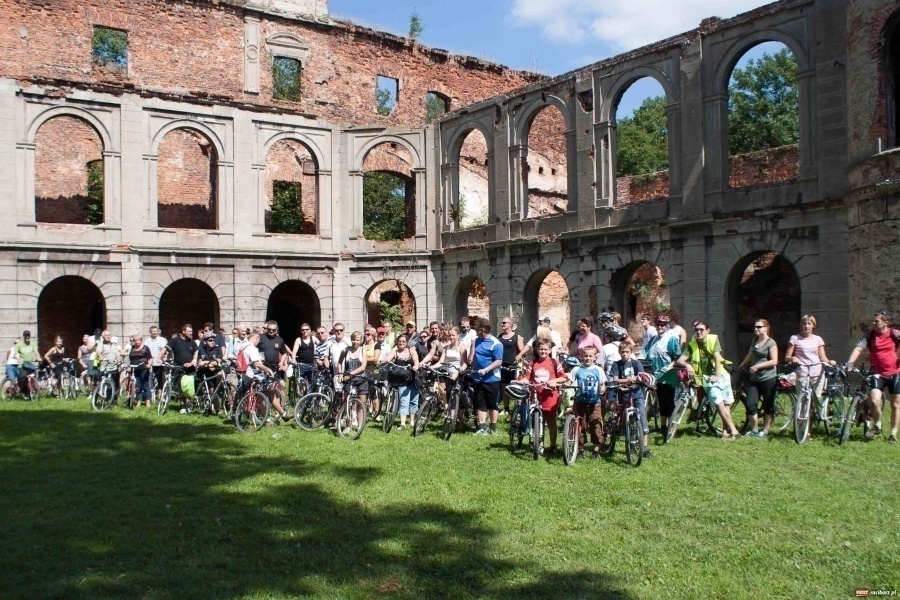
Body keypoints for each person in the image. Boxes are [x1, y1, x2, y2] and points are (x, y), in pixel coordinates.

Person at [675, 321, 741, 439]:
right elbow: (680, 360)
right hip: (707, 378)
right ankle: (734, 430)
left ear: (707, 331)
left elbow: (716, 357)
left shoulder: (713, 339)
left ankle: (726, 432)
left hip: (721, 374)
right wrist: (688, 366)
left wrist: (717, 375)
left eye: (701, 329)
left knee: (725, 405)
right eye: (696, 330)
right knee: (718, 403)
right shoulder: (692, 344)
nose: (699, 332)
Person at [846, 310, 900, 443]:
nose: (874, 323)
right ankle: (877, 425)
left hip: (895, 373)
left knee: (895, 405)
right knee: (875, 400)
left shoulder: (894, 333)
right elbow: (858, 348)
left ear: (885, 323)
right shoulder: (870, 335)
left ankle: (893, 434)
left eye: (877, 321)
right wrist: (850, 363)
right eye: (874, 321)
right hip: (878, 373)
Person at [519, 339, 566, 454]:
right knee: (538, 421)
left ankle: (553, 445)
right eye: (541, 349)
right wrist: (523, 381)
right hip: (536, 396)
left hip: (550, 396)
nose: (543, 351)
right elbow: (527, 376)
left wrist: (555, 381)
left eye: (546, 349)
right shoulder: (533, 363)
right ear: (537, 350)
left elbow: (564, 377)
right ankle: (539, 444)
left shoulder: (554, 362)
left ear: (550, 350)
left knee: (551, 422)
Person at [738, 319, 779, 437]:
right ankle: (754, 429)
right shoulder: (754, 341)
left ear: (766, 328)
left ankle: (765, 430)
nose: (756, 329)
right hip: (754, 378)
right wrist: (742, 365)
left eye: (759, 327)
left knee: (768, 405)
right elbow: (750, 355)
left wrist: (758, 366)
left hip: (768, 377)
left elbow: (774, 361)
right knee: (750, 404)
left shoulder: (771, 343)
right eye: (755, 327)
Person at [610, 339, 651, 458]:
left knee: (642, 418)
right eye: (622, 352)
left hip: (637, 394)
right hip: (623, 395)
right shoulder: (616, 364)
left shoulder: (636, 363)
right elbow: (615, 379)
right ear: (619, 352)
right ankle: (621, 434)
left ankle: (644, 447)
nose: (624, 354)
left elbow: (641, 377)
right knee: (621, 417)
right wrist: (629, 380)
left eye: (627, 352)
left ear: (631, 352)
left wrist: (635, 380)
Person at [644, 315, 681, 440]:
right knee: (660, 400)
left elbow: (677, 356)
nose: (660, 327)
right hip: (656, 374)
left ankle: (670, 427)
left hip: (668, 375)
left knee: (668, 401)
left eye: (663, 325)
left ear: (666, 326)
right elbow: (645, 352)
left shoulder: (671, 339)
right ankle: (663, 426)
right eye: (658, 324)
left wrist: (670, 366)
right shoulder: (654, 339)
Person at [568, 346, 607, 459]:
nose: (588, 358)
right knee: (580, 425)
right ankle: (580, 449)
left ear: (595, 357)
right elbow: (569, 381)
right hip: (580, 401)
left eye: (590, 356)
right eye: (586, 356)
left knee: (596, 424)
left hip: (595, 402)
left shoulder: (598, 370)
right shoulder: (577, 369)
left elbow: (602, 384)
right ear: (581, 356)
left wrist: (603, 388)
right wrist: (566, 387)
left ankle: (596, 448)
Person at [471, 322, 504, 435]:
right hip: (478, 378)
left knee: (492, 404)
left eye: (477, 329)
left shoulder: (496, 343)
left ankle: (493, 427)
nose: (475, 331)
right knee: (481, 403)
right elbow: (474, 356)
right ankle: (482, 427)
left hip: (492, 379)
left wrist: (486, 370)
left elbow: (498, 361)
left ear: (482, 330)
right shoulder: (477, 341)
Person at [387, 333, 419, 430]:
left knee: (414, 400)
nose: (401, 343)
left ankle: (412, 421)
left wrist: (416, 366)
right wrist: (386, 360)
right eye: (400, 341)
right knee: (404, 400)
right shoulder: (394, 352)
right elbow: (388, 357)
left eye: (403, 341)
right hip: (401, 380)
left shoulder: (412, 351)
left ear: (407, 342)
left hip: (413, 378)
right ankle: (403, 423)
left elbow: (416, 360)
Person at [338, 331, 369, 426]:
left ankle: (360, 426)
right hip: (349, 380)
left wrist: (351, 373)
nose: (355, 342)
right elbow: (339, 362)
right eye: (353, 340)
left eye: (357, 340)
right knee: (348, 403)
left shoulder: (363, 350)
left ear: (361, 341)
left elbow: (363, 367)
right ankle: (348, 425)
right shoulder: (345, 350)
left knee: (361, 404)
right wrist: (340, 374)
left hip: (361, 380)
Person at [167, 324, 198, 414]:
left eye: (192, 331)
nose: (191, 333)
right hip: (179, 367)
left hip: (190, 369)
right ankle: (182, 406)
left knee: (189, 387)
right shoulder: (175, 341)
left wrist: (193, 361)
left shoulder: (192, 342)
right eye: (189, 331)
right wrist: (159, 358)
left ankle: (189, 404)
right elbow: (166, 349)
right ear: (184, 331)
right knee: (181, 387)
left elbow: (196, 351)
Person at [497, 317, 524, 414]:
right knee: (503, 386)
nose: (502, 324)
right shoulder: (500, 336)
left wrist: (519, 358)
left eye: (504, 323)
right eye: (502, 322)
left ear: (510, 325)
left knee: (515, 385)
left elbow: (522, 351)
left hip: (513, 365)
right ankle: (506, 408)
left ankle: (518, 407)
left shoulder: (517, 337)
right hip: (502, 365)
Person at [258, 320, 288, 390]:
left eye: (273, 330)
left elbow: (284, 353)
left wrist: (281, 362)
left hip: (275, 368)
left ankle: (283, 401)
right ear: (266, 328)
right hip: (262, 368)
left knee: (282, 385)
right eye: (269, 329)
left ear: (276, 330)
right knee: (263, 390)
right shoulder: (260, 338)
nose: (271, 331)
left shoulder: (279, 340)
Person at [127, 334, 153, 407]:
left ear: (141, 341)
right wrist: (129, 366)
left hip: (144, 368)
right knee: (138, 385)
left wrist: (149, 364)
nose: (136, 342)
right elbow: (130, 358)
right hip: (135, 368)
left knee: (145, 384)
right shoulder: (132, 348)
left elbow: (150, 358)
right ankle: (139, 400)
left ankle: (148, 400)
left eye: (138, 340)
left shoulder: (145, 348)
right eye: (135, 340)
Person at [144, 326, 168, 402]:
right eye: (152, 331)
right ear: (150, 332)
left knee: (160, 379)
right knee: (150, 379)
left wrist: (164, 357)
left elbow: (165, 350)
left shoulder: (162, 340)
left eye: (155, 331)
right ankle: (150, 394)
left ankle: (160, 394)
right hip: (150, 362)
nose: (154, 333)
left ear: (158, 331)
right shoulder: (147, 341)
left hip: (159, 363)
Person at [328, 323, 349, 388]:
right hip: (336, 373)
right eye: (337, 330)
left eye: (341, 330)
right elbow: (326, 357)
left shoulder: (349, 341)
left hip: (348, 373)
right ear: (334, 331)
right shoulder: (330, 342)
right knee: (338, 393)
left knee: (348, 394)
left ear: (344, 330)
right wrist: (327, 368)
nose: (339, 332)